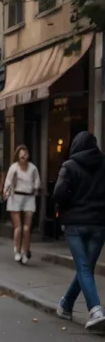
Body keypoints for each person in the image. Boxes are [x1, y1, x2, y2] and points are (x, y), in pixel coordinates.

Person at [53, 131, 105, 330]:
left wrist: (63, 208)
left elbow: (58, 193)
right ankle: (66, 304)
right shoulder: (103, 164)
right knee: (86, 268)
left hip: (75, 223)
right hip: (99, 223)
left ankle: (95, 309)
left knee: (83, 267)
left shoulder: (69, 166)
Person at [3, 145, 41, 264]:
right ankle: (17, 250)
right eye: (21, 155)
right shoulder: (14, 168)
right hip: (16, 197)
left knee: (26, 228)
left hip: (29, 197)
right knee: (18, 227)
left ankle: (26, 250)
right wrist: (6, 192)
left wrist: (35, 188)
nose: (23, 157)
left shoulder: (33, 168)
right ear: (18, 156)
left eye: (25, 155)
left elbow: (37, 182)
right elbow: (8, 182)